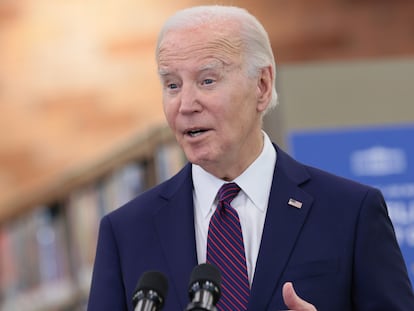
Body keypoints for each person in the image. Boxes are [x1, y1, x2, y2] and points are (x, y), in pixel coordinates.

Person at [87, 5, 414, 311]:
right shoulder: (126, 232)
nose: (185, 104)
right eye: (172, 85)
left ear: (262, 84)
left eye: (207, 80)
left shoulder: (350, 212)